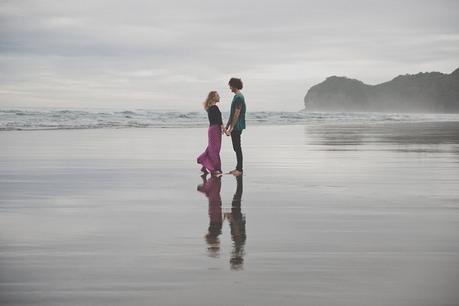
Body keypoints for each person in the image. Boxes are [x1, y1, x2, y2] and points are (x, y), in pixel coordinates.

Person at [197, 91, 226, 176]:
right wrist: (225, 130)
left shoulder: (210, 108)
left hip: (212, 129)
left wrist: (223, 129)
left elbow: (217, 121)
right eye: (217, 95)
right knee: (214, 150)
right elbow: (219, 121)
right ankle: (214, 169)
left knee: (211, 148)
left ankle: (204, 165)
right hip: (215, 130)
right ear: (213, 97)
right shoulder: (214, 107)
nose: (219, 97)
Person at [225, 78, 246, 176]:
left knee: (237, 147)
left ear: (234, 85)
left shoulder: (239, 97)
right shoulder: (236, 97)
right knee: (236, 147)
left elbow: (237, 114)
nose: (230, 88)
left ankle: (239, 169)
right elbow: (232, 113)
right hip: (235, 125)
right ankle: (238, 168)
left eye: (230, 86)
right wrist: (227, 125)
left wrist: (232, 127)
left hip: (237, 125)